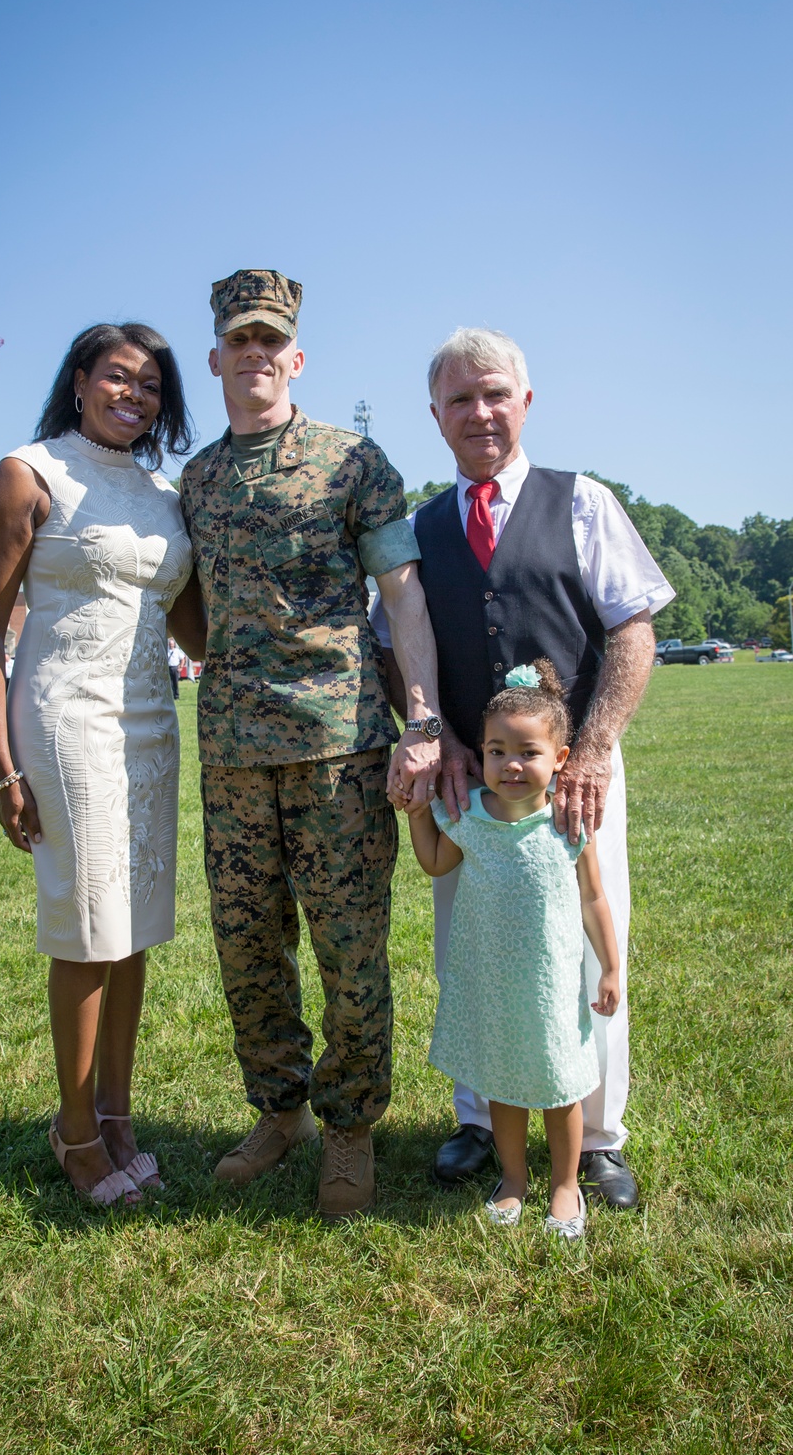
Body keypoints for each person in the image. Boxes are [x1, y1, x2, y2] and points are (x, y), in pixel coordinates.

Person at [374, 326, 673, 1209]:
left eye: (495, 393)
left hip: (571, 784)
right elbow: (392, 647)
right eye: (460, 399)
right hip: (472, 788)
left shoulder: (582, 502)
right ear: (435, 417)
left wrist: (599, 743)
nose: (480, 412)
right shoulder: (418, 529)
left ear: (527, 402)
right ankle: (477, 1118)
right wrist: (437, 736)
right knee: (472, 951)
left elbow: (633, 630)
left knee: (583, 952)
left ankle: (600, 1135)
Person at [178, 269, 443, 1220]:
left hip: (340, 746)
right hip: (235, 752)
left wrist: (422, 719)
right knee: (247, 947)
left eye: (269, 341)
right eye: (238, 341)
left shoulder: (351, 462)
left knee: (348, 949)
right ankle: (280, 1110)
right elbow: (189, 603)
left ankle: (351, 1127)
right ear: (216, 358)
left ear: (296, 356)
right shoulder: (199, 481)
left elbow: (403, 595)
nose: (254, 355)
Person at [0, 321, 206, 1209]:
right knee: (90, 922)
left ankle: (117, 1118)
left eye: (149, 385)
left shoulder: (161, 491)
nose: (132, 395)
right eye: (116, 377)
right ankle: (73, 1132)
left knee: (136, 925)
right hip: (66, 721)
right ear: (78, 381)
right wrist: (2, 769)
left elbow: (190, 623)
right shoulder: (29, 473)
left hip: (150, 720)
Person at [408, 660, 620, 1239]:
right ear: (482, 754)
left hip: (551, 985)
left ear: (561, 760)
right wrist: (416, 810)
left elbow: (595, 899)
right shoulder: (472, 817)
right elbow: (432, 862)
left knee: (558, 1085)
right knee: (502, 1084)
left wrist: (611, 967)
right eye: (497, 751)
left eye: (528, 752)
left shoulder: (568, 825)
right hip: (490, 982)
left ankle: (565, 1185)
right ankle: (512, 1180)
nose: (511, 765)